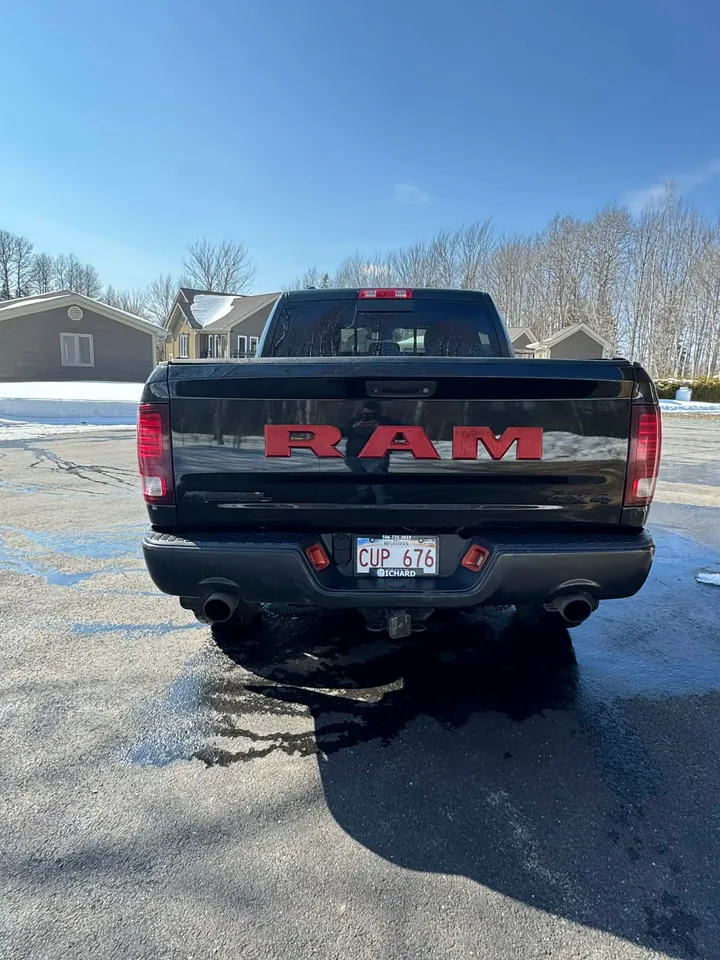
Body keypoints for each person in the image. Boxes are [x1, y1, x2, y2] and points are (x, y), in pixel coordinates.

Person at [341, 401, 393, 504]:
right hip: (354, 455)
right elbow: (340, 432)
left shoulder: (386, 421)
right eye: (366, 414)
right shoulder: (354, 421)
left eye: (373, 414)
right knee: (360, 478)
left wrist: (383, 428)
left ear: (378, 413)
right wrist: (354, 427)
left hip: (376, 455)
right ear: (362, 412)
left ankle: (382, 500)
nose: (369, 417)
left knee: (378, 479)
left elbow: (403, 432)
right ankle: (364, 495)